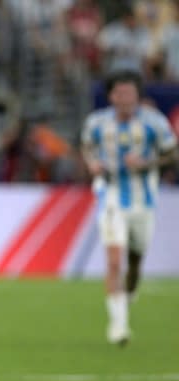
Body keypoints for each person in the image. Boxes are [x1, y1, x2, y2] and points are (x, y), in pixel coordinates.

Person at [80, 70, 178, 346]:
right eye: (120, 93)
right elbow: (87, 147)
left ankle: (128, 293)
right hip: (110, 195)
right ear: (111, 96)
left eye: (130, 93)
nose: (125, 99)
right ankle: (119, 326)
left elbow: (172, 153)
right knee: (113, 261)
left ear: (137, 95)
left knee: (135, 261)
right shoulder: (97, 123)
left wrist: (146, 163)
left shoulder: (154, 123)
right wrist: (92, 164)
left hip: (143, 200)